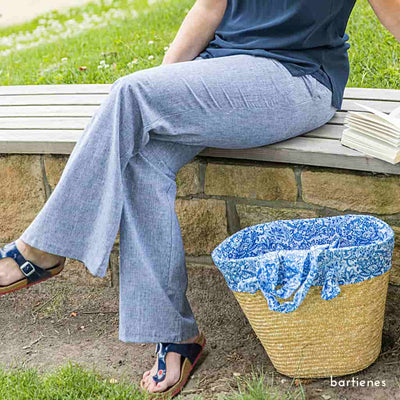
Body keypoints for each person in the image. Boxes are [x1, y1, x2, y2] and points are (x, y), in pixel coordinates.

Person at [0, 0, 399, 397]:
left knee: (130, 91)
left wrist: (143, 99)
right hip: (218, 72)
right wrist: (158, 96)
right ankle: (175, 335)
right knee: (141, 154)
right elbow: (210, 7)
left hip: (295, 79)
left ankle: (40, 250)